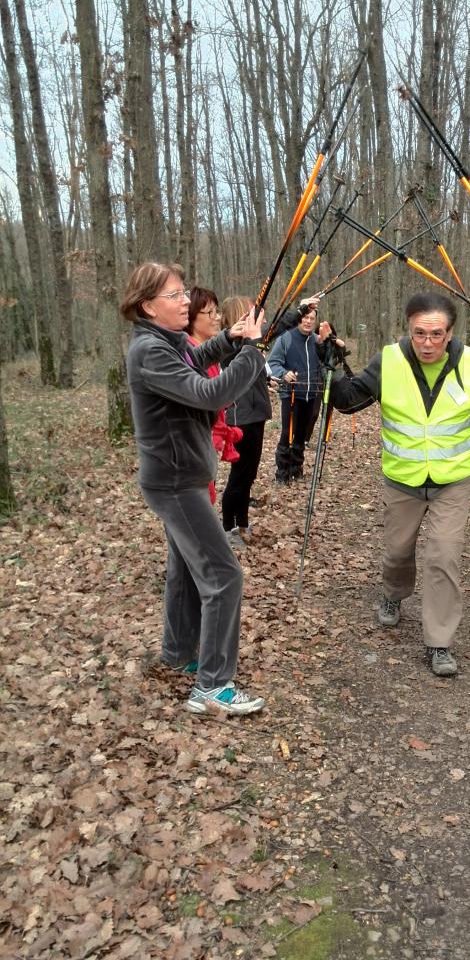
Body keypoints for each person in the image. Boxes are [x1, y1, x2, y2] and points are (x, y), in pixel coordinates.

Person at [329, 292, 470, 678]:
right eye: (419, 333)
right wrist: (331, 365)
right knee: (398, 552)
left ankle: (439, 642)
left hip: (452, 480)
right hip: (402, 479)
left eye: (436, 334)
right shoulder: (390, 360)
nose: (427, 343)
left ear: (450, 333)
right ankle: (394, 596)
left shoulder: (468, 362)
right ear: (408, 329)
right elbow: (347, 401)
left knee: (443, 557)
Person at [122, 261, 268, 715]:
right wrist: (251, 353)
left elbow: (195, 360)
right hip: (176, 481)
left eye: (184, 292)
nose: (186, 300)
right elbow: (208, 394)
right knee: (223, 576)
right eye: (174, 295)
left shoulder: (167, 342)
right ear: (147, 306)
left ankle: (179, 653)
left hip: (181, 475)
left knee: (186, 569)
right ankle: (212, 686)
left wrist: (232, 339)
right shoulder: (149, 350)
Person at [219, 295, 273, 549]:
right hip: (241, 420)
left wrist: (301, 310)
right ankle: (228, 527)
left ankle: (242, 522)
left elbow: (274, 330)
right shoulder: (231, 347)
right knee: (239, 476)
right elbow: (248, 353)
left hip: (257, 415)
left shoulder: (249, 345)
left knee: (249, 474)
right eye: (250, 313)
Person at [185, 286, 243, 507]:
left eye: (216, 311)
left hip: (209, 443)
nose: (217, 317)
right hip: (196, 447)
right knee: (200, 507)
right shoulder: (187, 354)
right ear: (191, 316)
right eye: (210, 313)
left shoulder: (207, 350)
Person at [267, 302, 328, 484]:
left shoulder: (317, 340)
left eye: (312, 319)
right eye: (305, 318)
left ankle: (297, 469)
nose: (308, 322)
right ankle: (282, 473)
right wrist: (284, 374)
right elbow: (273, 363)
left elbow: (326, 361)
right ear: (299, 318)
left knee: (301, 434)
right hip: (291, 394)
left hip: (310, 394)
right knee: (288, 433)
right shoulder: (286, 338)